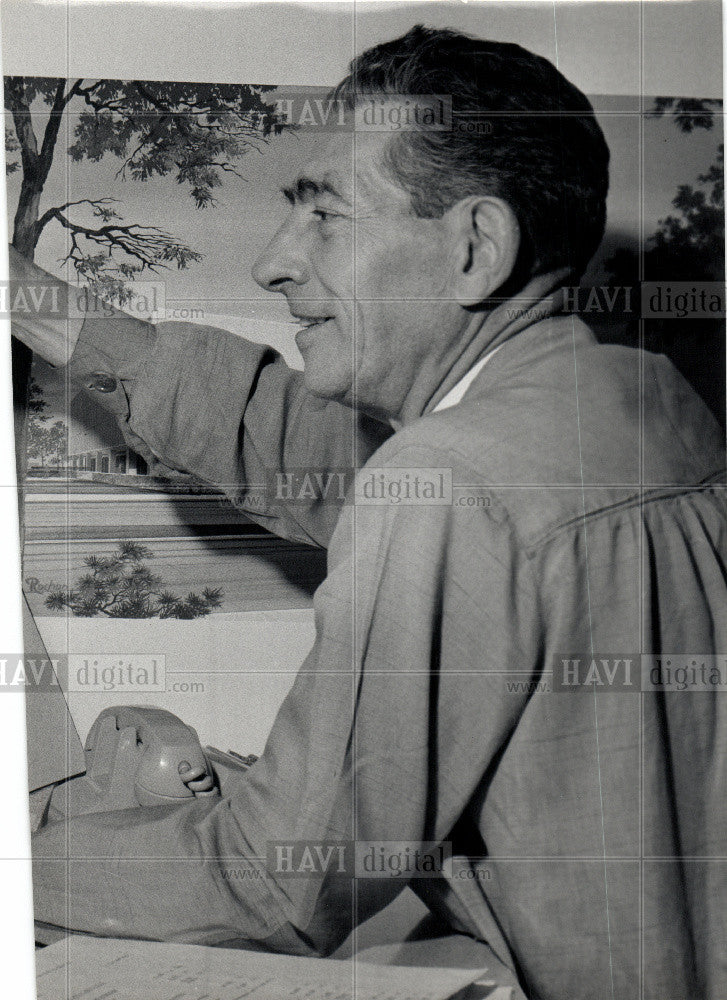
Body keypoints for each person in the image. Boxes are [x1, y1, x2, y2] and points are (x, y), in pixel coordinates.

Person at [12, 25, 726, 1000]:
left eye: (324, 216)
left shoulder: (448, 476)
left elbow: (285, 878)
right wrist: (36, 302)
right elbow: (310, 449)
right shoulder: (640, 401)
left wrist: (25, 866)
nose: (272, 261)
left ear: (474, 248)